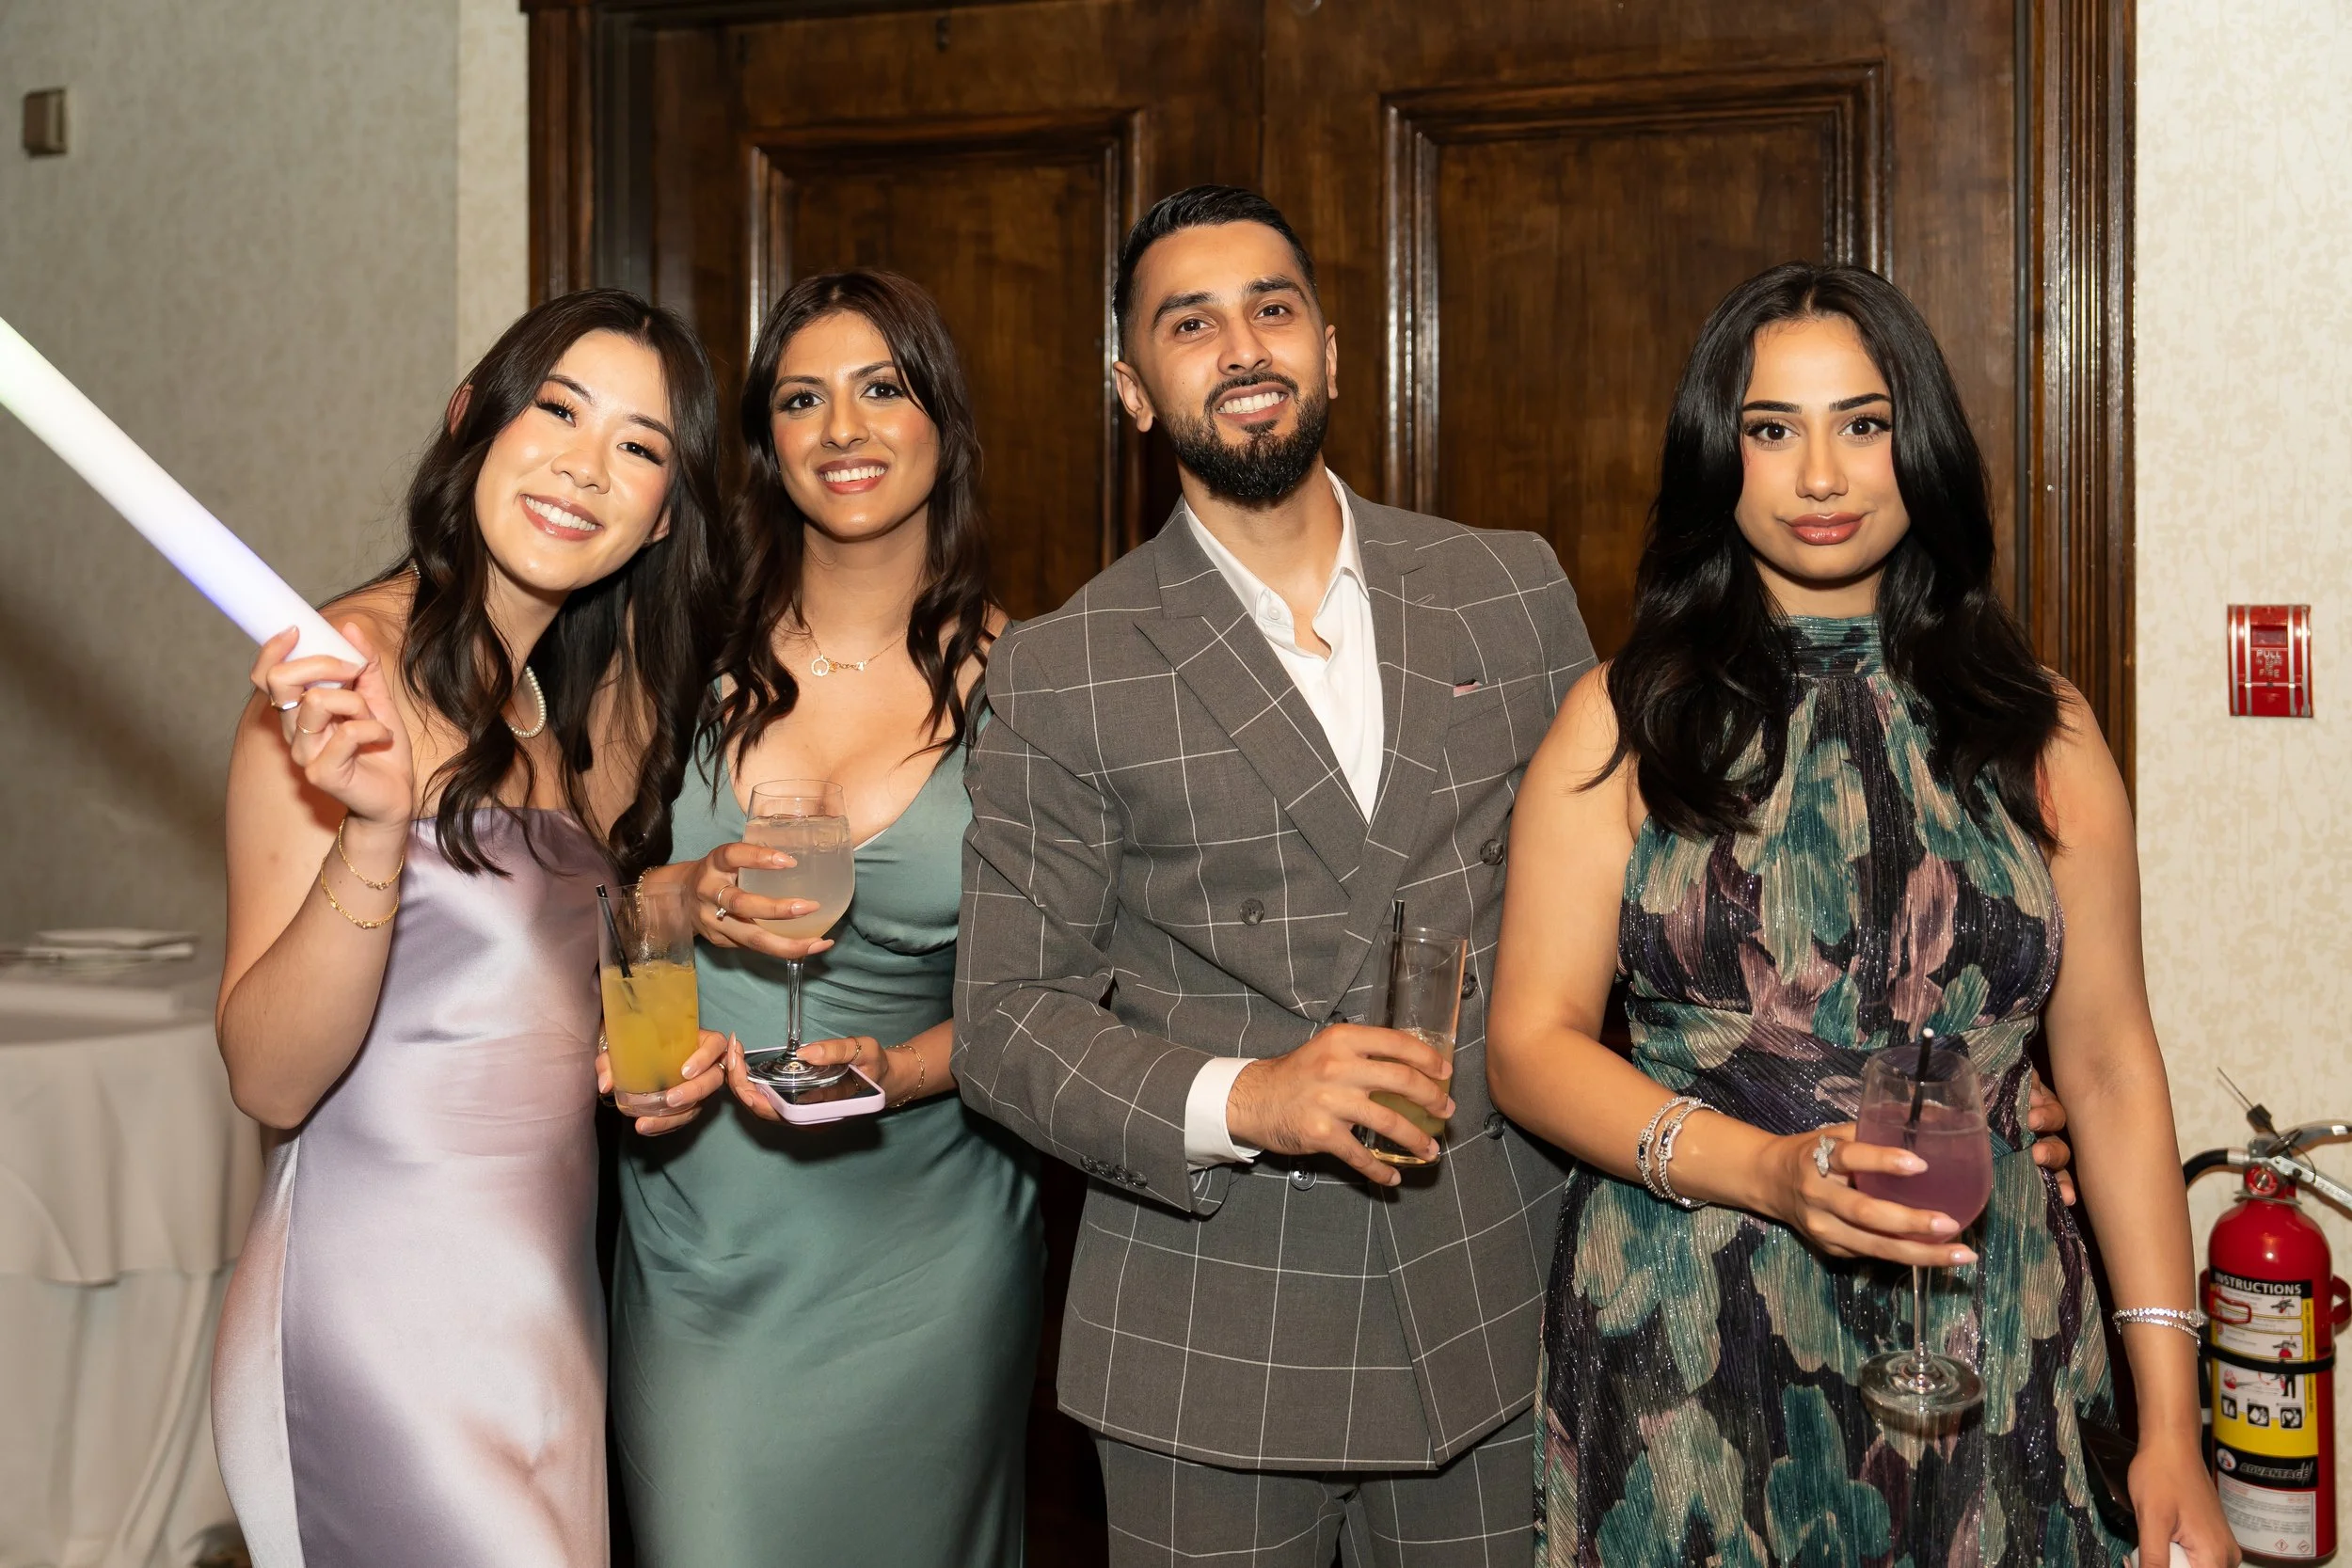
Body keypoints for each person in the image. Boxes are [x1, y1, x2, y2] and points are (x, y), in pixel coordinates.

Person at [1487, 263, 2234, 1566]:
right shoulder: (1623, 720)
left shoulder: (2041, 731)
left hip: (1993, 1343)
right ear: (1721, 455)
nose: (1820, 474)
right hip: (1691, 1354)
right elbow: (1530, 1048)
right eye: (1773, 428)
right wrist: (1766, 1169)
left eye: (1864, 423)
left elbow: (2110, 1068)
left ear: (1921, 445)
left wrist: (2174, 1413)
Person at [211, 289, 735, 1567]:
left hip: (545, 1323)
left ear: (663, 512)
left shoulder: (572, 708)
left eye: (639, 444)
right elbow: (269, 1074)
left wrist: (667, 1007)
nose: (583, 464)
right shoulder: (345, 672)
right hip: (379, 1327)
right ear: (473, 423)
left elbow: (526, 951)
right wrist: (375, 830)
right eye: (557, 409)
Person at [608, 269, 1041, 1567]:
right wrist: (644, 1062)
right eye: (805, 399)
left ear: (941, 426)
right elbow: (608, 897)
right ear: (767, 444)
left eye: (881, 389)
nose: (844, 428)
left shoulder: (1032, 686)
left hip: (929, 1230)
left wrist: (901, 1071)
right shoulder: (675, 655)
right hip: (702, 1222)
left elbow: (1070, 996)